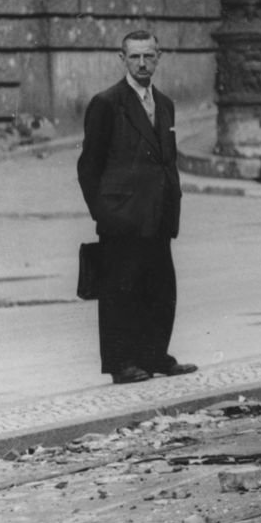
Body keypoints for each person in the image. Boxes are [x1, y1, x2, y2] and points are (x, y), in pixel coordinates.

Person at [76, 29, 195, 385]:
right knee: (120, 290)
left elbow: (166, 160)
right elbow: (88, 167)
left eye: (148, 56)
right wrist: (105, 212)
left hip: (158, 214)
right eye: (135, 57)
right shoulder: (107, 103)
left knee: (160, 289)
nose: (142, 63)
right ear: (122, 59)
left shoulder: (166, 103)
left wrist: (172, 200)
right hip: (122, 218)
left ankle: (155, 355)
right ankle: (121, 363)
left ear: (158, 57)